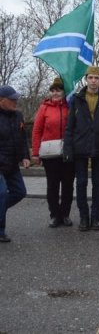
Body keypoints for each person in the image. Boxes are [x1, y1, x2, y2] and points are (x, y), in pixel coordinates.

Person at [64, 66, 99, 231]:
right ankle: (84, 217)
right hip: (80, 146)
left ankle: (96, 217)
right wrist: (68, 148)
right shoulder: (77, 99)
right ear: (86, 79)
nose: (93, 81)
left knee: (97, 183)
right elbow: (70, 126)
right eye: (91, 78)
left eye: (96, 78)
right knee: (81, 182)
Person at [31, 78, 73, 228]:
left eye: (59, 90)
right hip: (50, 153)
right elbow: (37, 130)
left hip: (68, 151)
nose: (55, 93)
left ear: (64, 92)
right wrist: (35, 153)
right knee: (53, 185)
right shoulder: (44, 108)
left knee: (68, 185)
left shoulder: (70, 105)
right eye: (53, 90)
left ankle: (65, 214)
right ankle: (54, 215)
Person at [0, 85, 30, 242]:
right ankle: (1, 231)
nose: (15, 101)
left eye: (16, 98)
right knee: (2, 194)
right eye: (12, 99)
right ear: (2, 100)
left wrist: (25, 156)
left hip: (12, 164)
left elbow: (23, 138)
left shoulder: (18, 115)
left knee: (20, 192)